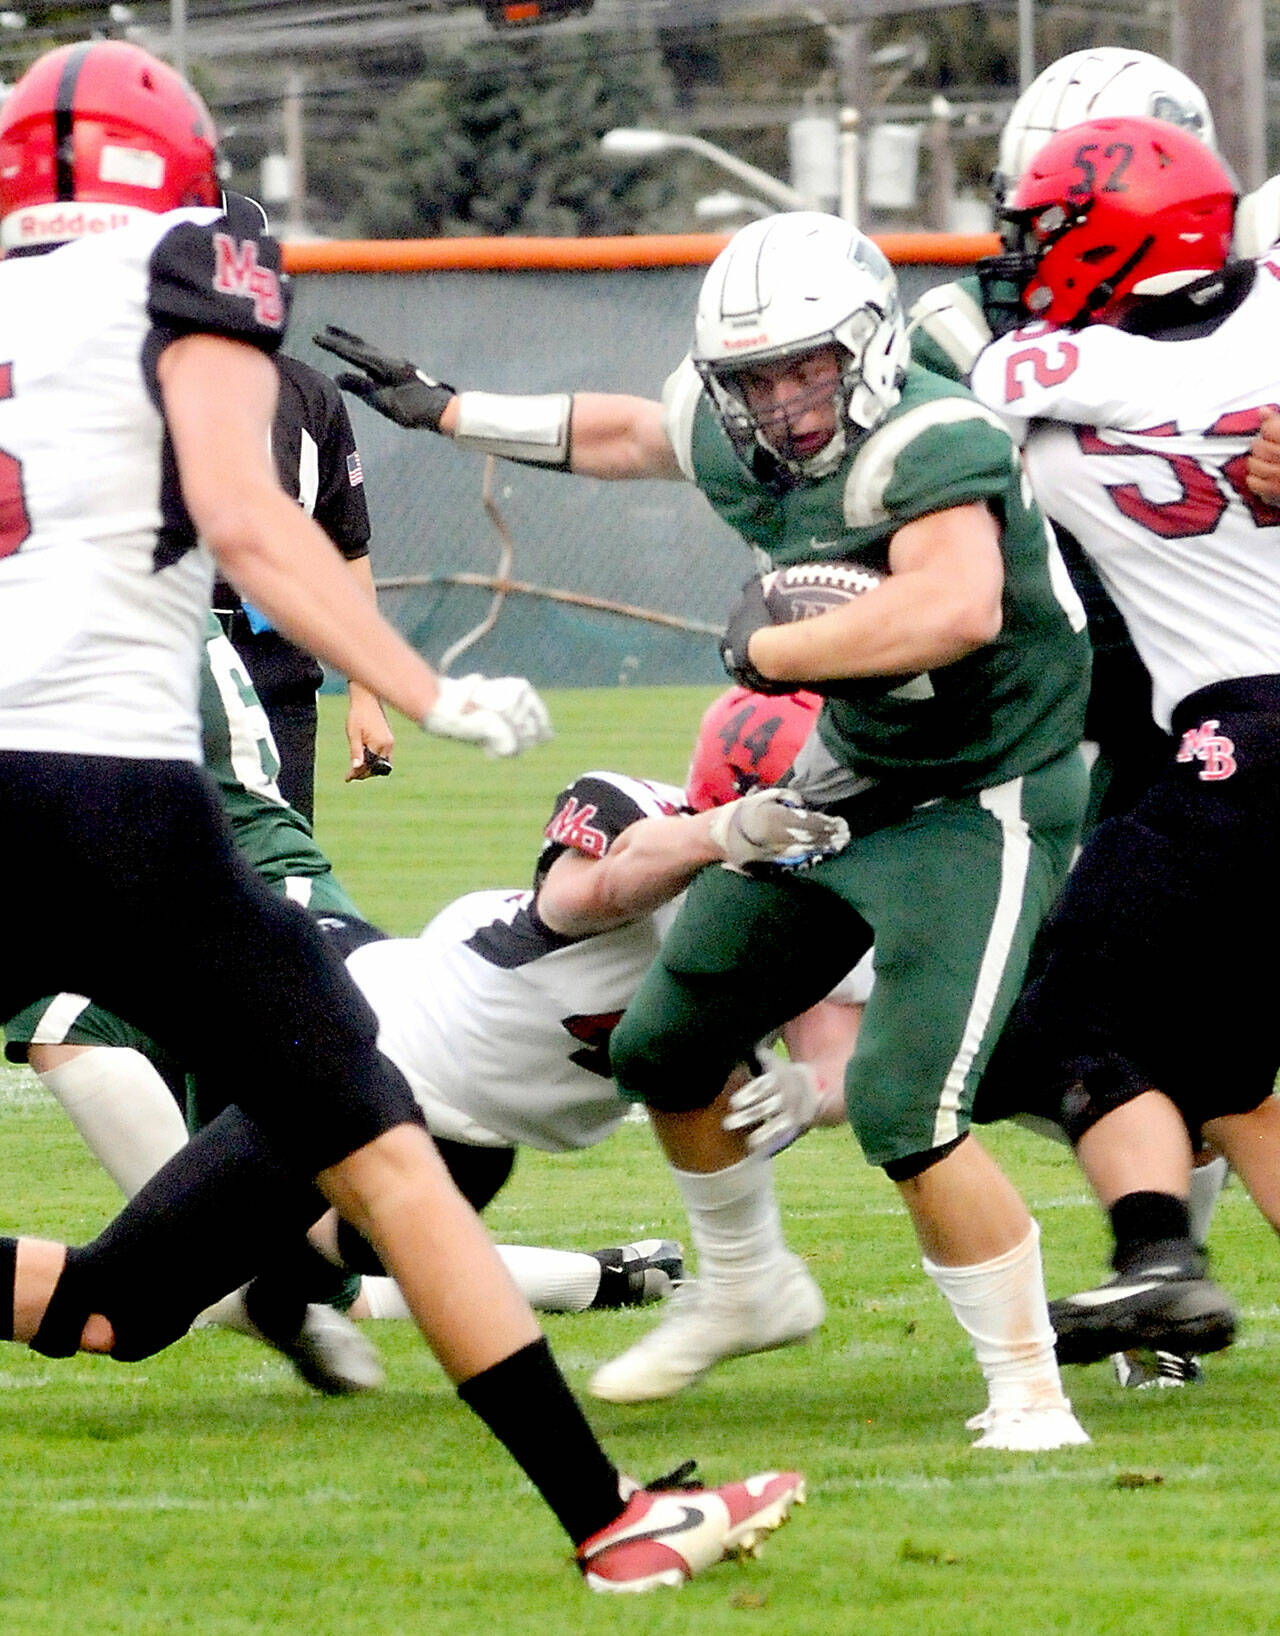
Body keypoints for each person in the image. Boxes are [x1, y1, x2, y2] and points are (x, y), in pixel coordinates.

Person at [0, 39, 804, 1593]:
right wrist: (421, 689)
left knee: (156, 1280)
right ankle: (608, 1521)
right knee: (381, 1152)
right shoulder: (196, 255)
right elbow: (246, 515)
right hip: (115, 797)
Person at [315, 210, 1095, 1451]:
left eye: (804, 369)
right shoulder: (736, 428)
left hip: (988, 788)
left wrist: (768, 645)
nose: (781, 403)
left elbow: (950, 610)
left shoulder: (928, 441)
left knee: (904, 1106)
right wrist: (456, 410)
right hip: (856, 769)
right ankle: (748, 1286)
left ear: (866, 348)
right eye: (754, 379)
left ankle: (1029, 1393)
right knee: (667, 1039)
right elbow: (630, 428)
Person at [965, 113, 1280, 1369]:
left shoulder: (1041, 373)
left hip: (1247, 738)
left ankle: (1156, 1257)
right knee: (1221, 1068)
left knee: (1056, 1016)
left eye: (1043, 234)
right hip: (1236, 744)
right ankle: (1157, 1261)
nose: (1023, 260)